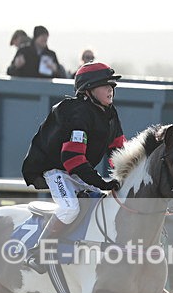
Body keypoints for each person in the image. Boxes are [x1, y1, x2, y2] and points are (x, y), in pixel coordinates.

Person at [21, 62, 125, 272]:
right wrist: (101, 182)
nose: (110, 90)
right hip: (56, 170)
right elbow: (72, 159)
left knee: (102, 204)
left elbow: (118, 151)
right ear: (88, 90)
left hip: (77, 169)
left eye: (112, 86)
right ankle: (38, 252)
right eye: (105, 85)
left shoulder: (110, 113)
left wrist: (126, 177)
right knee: (70, 209)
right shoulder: (76, 113)